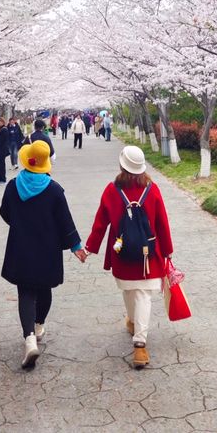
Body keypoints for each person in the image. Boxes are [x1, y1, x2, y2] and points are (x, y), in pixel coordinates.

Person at [0, 140, 87, 368]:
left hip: (21, 247)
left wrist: (20, 224)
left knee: (25, 292)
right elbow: (65, 220)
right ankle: (38, 326)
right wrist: (76, 246)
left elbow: (5, 213)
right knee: (44, 289)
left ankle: (29, 338)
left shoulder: (12, 186)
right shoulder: (54, 189)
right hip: (47, 249)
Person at [85, 146, 173, 369]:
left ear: (121, 165)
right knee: (143, 294)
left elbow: (100, 223)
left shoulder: (112, 190)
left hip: (121, 254)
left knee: (129, 289)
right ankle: (140, 345)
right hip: (148, 255)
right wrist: (168, 251)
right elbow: (162, 222)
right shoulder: (152, 189)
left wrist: (89, 248)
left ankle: (134, 324)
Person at [0, 117, 10, 184]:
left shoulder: (4, 129)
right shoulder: (0, 129)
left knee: (1, 165)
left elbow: (0, 139)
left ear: (2, 122)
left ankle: (2, 179)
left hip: (1, 150)